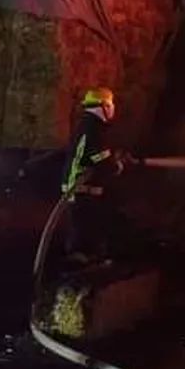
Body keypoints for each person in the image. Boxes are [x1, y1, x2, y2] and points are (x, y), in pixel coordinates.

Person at [61, 87, 136, 263]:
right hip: (80, 187)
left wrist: (114, 158)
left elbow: (97, 154)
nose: (113, 109)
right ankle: (77, 264)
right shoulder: (92, 128)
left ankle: (87, 259)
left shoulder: (90, 126)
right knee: (83, 226)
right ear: (103, 107)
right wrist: (115, 166)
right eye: (110, 105)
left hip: (83, 187)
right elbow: (99, 157)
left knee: (89, 223)